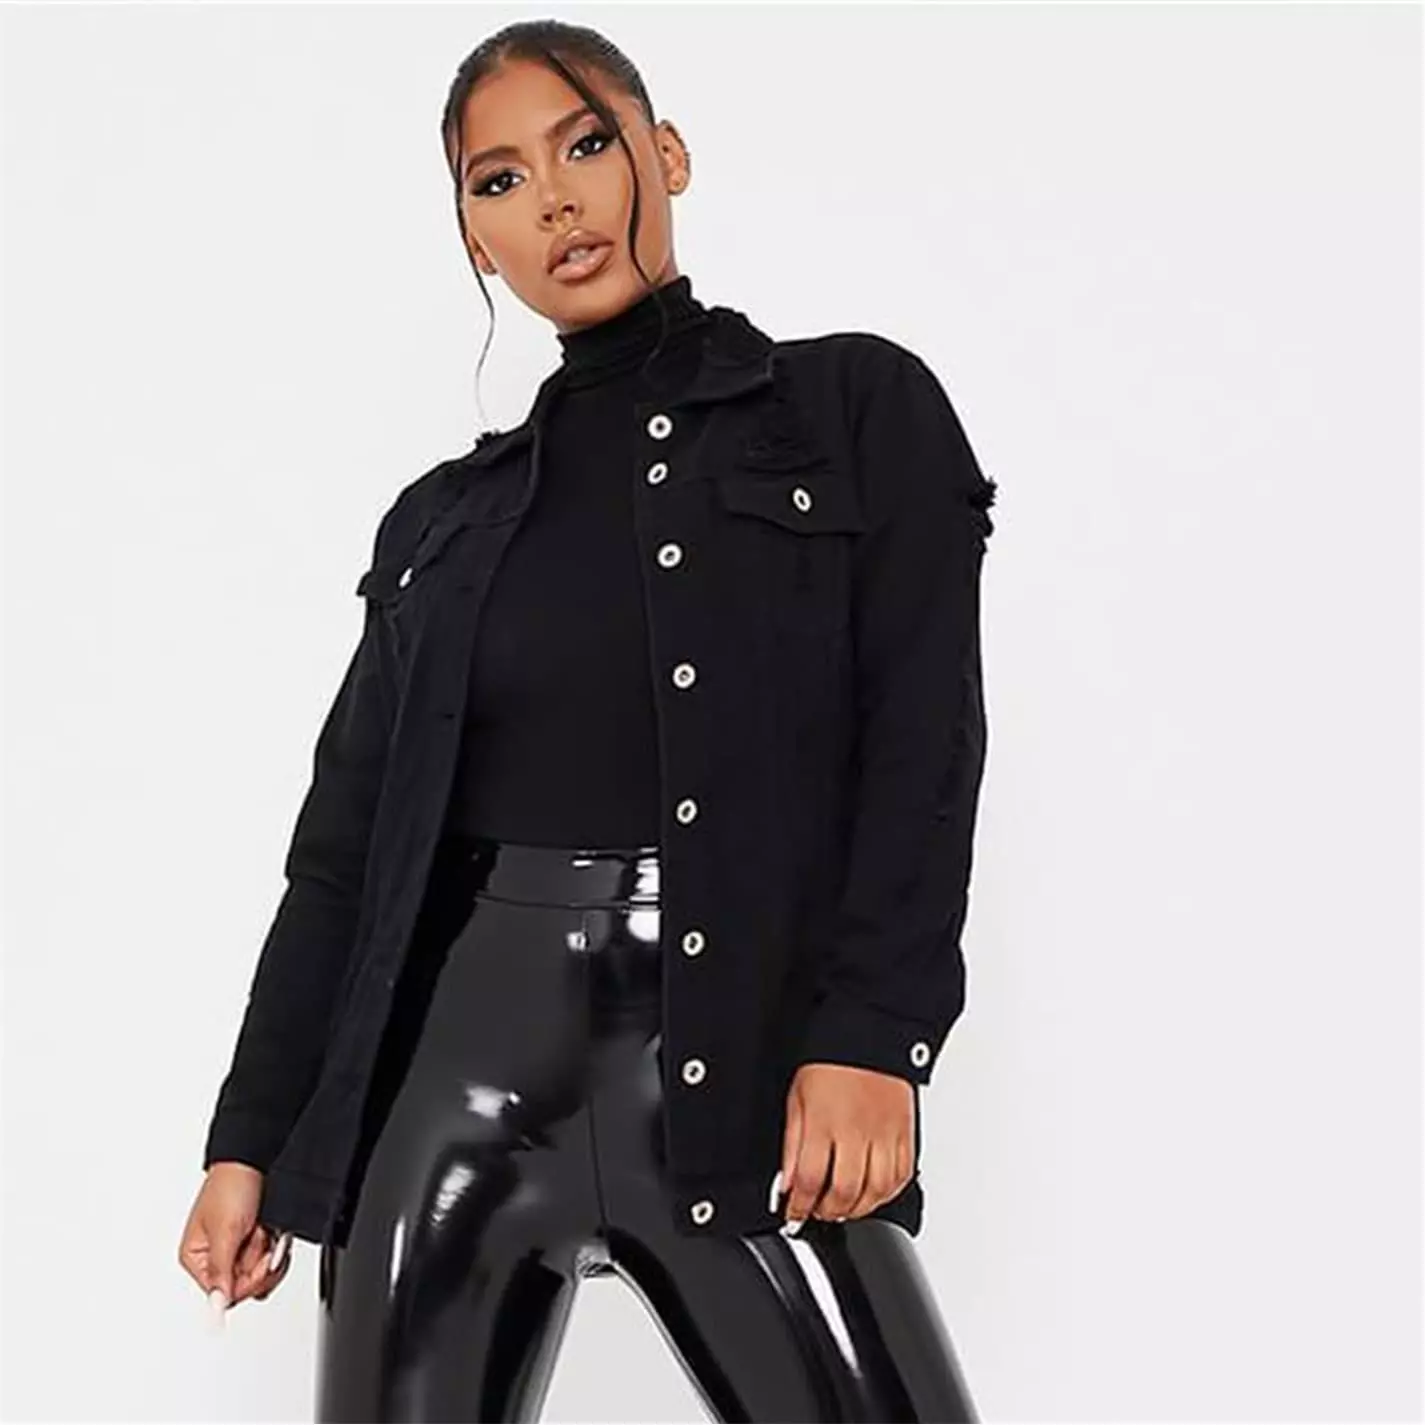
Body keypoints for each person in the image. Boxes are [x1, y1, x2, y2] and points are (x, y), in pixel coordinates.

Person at [178, 18, 996, 1422]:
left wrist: (874, 1036)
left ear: (663, 154)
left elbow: (924, 741)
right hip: (455, 1097)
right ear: (475, 238)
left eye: (587, 145)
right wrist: (250, 1137)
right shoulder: (444, 523)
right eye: (498, 182)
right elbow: (344, 858)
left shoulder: (852, 407)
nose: (553, 202)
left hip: (742, 1075)